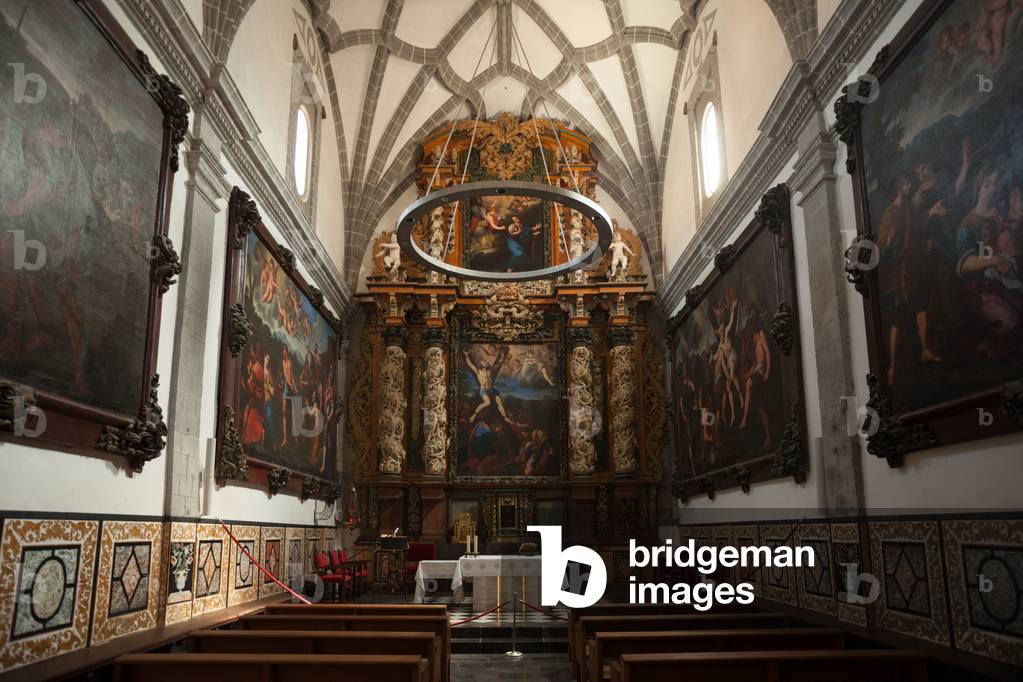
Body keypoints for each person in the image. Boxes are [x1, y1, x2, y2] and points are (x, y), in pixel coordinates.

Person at [464, 346, 512, 423]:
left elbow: (499, 363)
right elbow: (470, 364)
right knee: (487, 402)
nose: (486, 362)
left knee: (499, 401)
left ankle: (505, 417)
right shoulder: (478, 371)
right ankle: (473, 415)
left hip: (491, 390)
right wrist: (466, 356)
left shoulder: (490, 371)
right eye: (484, 361)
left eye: (486, 361)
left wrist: (502, 356)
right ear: (480, 364)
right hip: (484, 390)